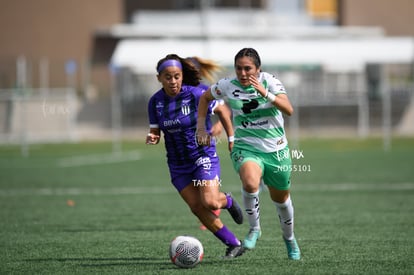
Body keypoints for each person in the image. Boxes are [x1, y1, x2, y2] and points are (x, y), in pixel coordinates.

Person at [196, 48, 301, 260]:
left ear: (258, 69)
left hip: (276, 150)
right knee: (251, 182)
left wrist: (265, 93)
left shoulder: (270, 81)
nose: (243, 73)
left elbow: (288, 109)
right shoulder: (227, 85)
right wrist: (200, 125)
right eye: (238, 69)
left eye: (248, 69)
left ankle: (289, 239)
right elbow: (205, 98)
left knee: (281, 200)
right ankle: (255, 229)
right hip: (246, 146)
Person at [146, 54, 245, 259]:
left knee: (210, 202)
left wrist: (231, 137)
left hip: (202, 155)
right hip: (177, 164)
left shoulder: (197, 94)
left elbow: (224, 111)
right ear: (159, 78)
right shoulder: (155, 102)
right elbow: (155, 131)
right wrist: (152, 137)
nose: (173, 81)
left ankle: (226, 200)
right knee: (197, 207)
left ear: (182, 76)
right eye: (167, 77)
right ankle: (233, 243)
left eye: (176, 76)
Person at [186, 56, 225, 230]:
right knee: (198, 190)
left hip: (204, 146)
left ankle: (215, 207)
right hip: (184, 151)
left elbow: (223, 110)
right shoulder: (174, 94)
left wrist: (219, 124)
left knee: (208, 195)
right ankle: (210, 208)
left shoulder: (205, 91)